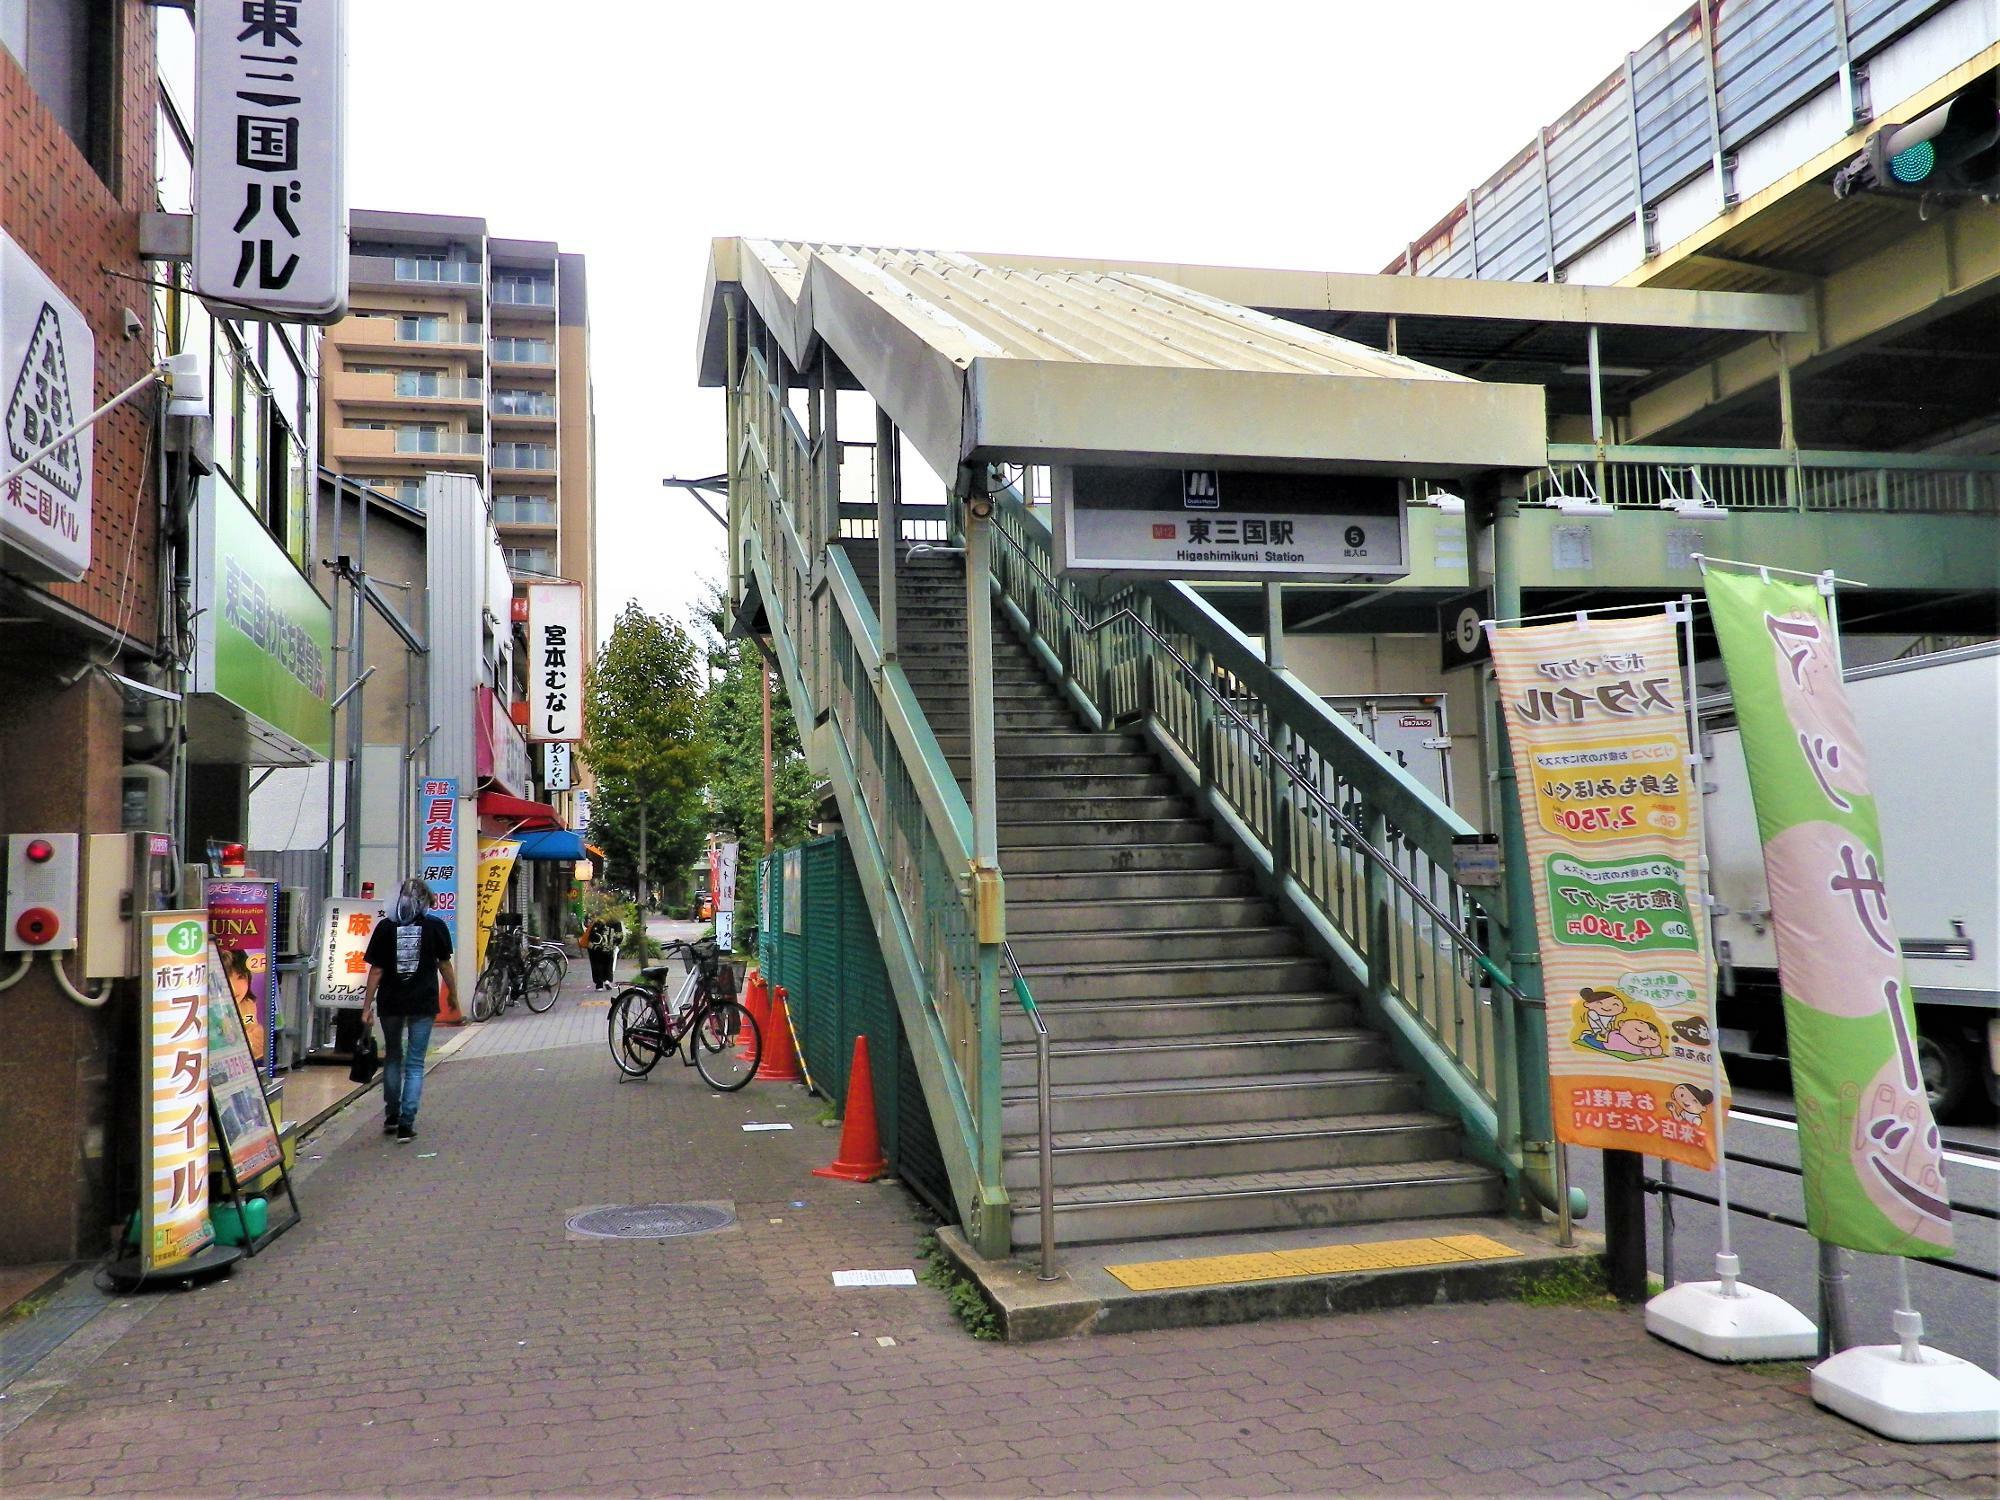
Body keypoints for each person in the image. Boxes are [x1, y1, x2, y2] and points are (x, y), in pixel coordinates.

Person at [360, 879, 458, 1143]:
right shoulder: (435, 926)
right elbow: (444, 965)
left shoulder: (385, 927)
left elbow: (377, 970)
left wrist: (367, 1005)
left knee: (393, 1056)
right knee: (415, 1063)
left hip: (391, 1001)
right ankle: (407, 1122)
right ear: (426, 901)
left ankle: (391, 1114)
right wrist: (453, 996)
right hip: (423, 1002)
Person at [585, 915, 615, 990]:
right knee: (608, 962)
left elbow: (587, 924)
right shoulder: (613, 915)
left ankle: (599, 984)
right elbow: (618, 932)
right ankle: (607, 980)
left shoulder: (592, 911)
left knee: (596, 963)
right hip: (608, 943)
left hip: (594, 943)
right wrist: (616, 942)